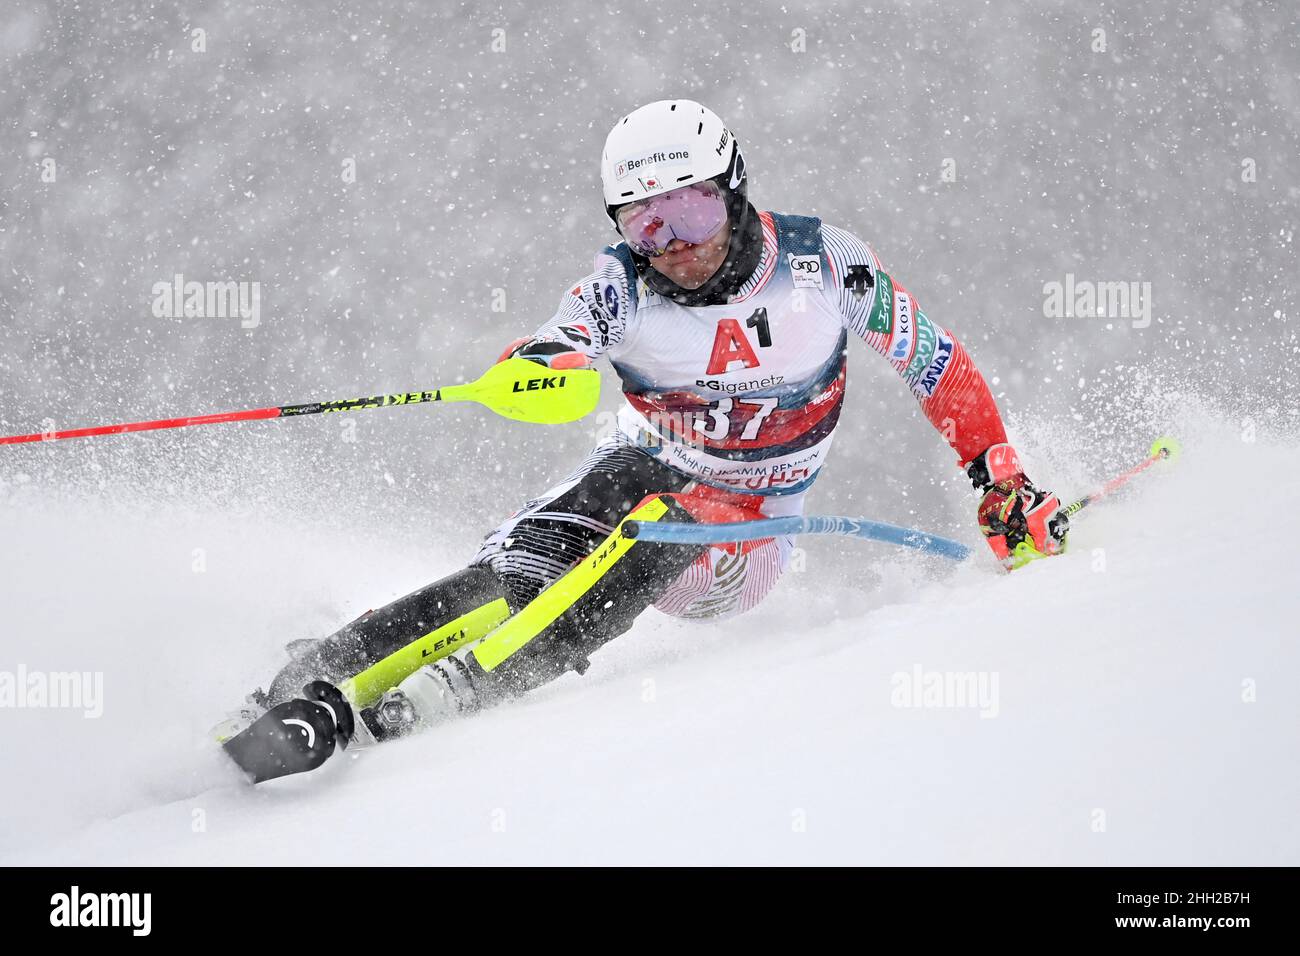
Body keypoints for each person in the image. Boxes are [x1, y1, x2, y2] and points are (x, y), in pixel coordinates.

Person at [252, 99, 1064, 744]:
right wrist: (537, 367)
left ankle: (469, 688)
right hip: (641, 469)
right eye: (645, 223)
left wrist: (1000, 475)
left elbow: (935, 362)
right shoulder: (620, 286)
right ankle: (328, 669)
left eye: (691, 212)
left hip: (745, 535)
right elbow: (562, 340)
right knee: (538, 552)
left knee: (651, 518)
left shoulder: (824, 264)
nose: (673, 245)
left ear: (734, 192)